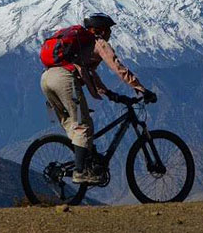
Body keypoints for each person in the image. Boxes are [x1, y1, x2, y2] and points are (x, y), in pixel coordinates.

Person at [40, 13, 157, 184]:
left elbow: (89, 74)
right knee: (83, 127)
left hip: (46, 79)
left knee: (72, 125)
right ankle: (80, 172)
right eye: (108, 29)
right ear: (100, 31)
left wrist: (110, 94)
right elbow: (118, 67)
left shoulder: (82, 47)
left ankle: (85, 164)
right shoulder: (99, 43)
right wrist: (141, 88)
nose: (110, 33)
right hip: (64, 79)